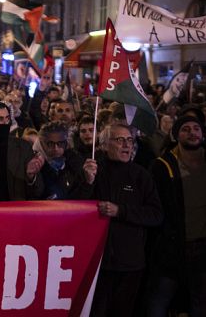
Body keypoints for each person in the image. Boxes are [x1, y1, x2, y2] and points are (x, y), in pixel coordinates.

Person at [147, 115, 206, 317]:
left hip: (204, 247)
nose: (192, 133)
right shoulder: (162, 166)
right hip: (172, 248)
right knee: (158, 301)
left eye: (196, 128)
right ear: (176, 134)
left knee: (201, 301)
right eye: (185, 129)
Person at [90, 123, 163, 317]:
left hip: (130, 263)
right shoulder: (93, 171)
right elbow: (75, 207)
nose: (126, 145)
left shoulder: (141, 176)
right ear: (104, 145)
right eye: (119, 140)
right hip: (97, 262)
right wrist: (86, 181)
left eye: (130, 140)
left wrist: (121, 211)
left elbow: (156, 215)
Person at [33, 121, 94, 200]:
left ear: (66, 143)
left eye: (60, 143)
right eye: (50, 144)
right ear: (41, 143)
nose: (56, 148)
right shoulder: (34, 165)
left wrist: (88, 182)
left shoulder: (75, 162)